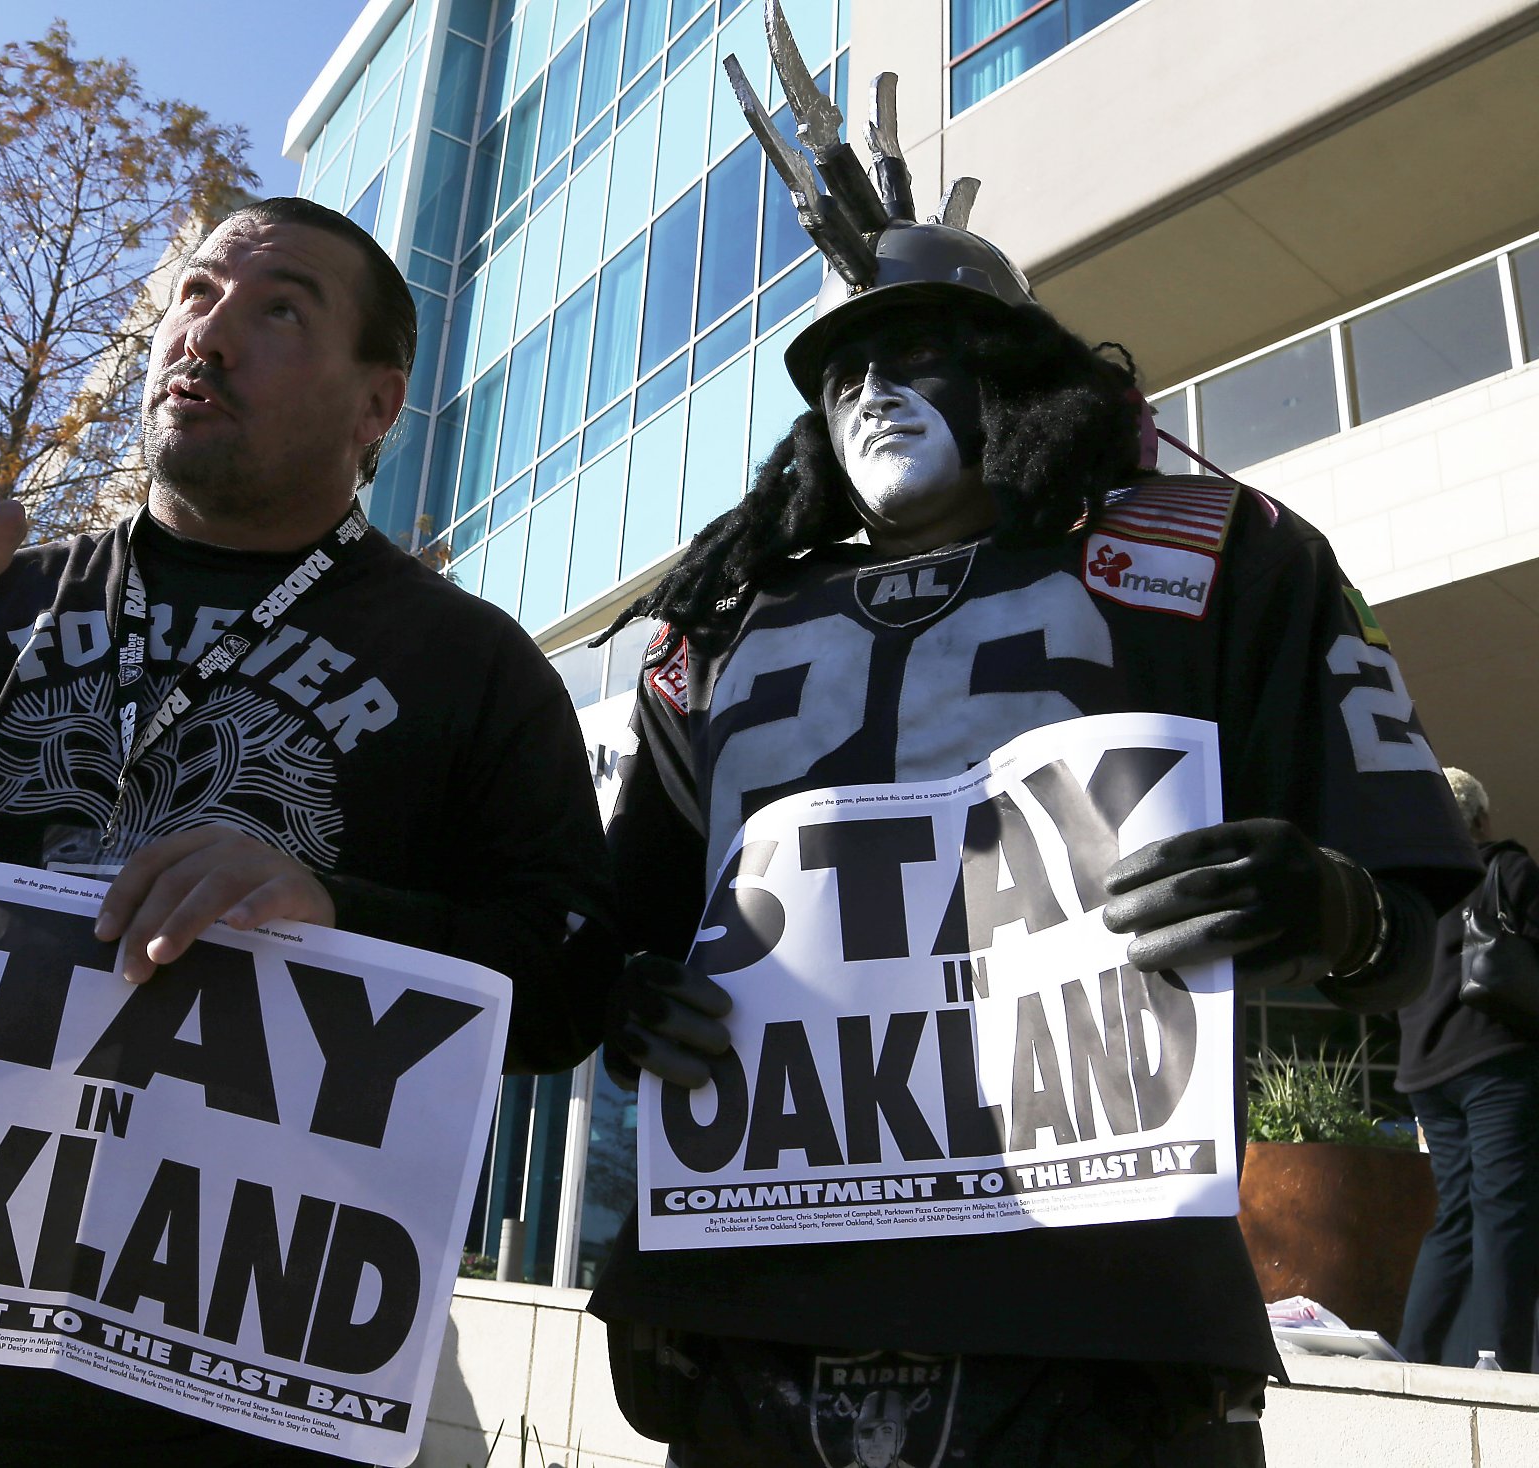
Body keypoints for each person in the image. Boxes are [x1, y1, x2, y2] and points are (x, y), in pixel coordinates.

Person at [586, 13, 1477, 1466]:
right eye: (841, 369)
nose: (871, 388)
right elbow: (604, 934)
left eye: (917, 351)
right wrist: (624, 992)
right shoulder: (722, 618)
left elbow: (1420, 930)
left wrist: (1331, 901)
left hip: (1094, 1321)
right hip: (745, 1308)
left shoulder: (1218, 551)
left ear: (1018, 373)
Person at [0, 195, 610, 1465]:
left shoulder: (475, 667)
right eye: (195, 294)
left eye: (279, 307)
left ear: (376, 409)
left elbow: (566, 984)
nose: (209, 330)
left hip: (227, 1393)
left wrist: (335, 910)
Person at [1396, 767, 1539, 1371]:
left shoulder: (1411, 891)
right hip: (1495, 1058)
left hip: (1426, 1071)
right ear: (1479, 818)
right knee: (1504, 1206)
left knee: (1455, 1213)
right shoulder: (1508, 868)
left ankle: (1418, 1354)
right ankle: (1501, 1356)